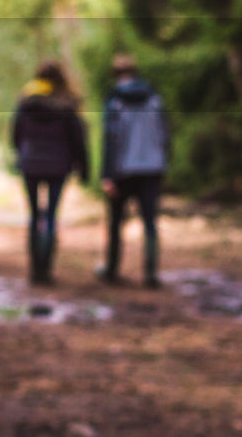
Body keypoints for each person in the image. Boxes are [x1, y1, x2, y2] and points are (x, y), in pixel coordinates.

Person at [11, 61, 89, 285]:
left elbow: (16, 133)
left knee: (35, 216)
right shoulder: (67, 103)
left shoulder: (26, 101)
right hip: (58, 165)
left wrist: (21, 154)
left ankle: (35, 270)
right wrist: (83, 167)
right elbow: (78, 139)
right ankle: (46, 269)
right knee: (51, 216)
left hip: (30, 163)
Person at [99, 53, 170, 288]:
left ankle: (111, 269)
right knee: (150, 222)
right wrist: (163, 163)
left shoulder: (114, 101)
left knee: (116, 221)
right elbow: (165, 134)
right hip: (152, 168)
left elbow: (110, 139)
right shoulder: (154, 98)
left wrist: (106, 174)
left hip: (122, 170)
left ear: (115, 74)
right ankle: (151, 273)